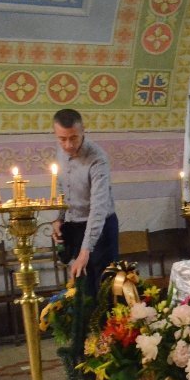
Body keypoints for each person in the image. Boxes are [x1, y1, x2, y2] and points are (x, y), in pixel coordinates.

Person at [51, 108, 119, 295]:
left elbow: (98, 207)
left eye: (73, 138)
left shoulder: (98, 158)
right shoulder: (60, 151)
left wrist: (85, 251)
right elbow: (61, 186)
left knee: (104, 289)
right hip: (76, 226)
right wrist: (59, 218)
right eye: (62, 139)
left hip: (101, 227)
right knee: (82, 288)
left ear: (83, 131)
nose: (68, 145)